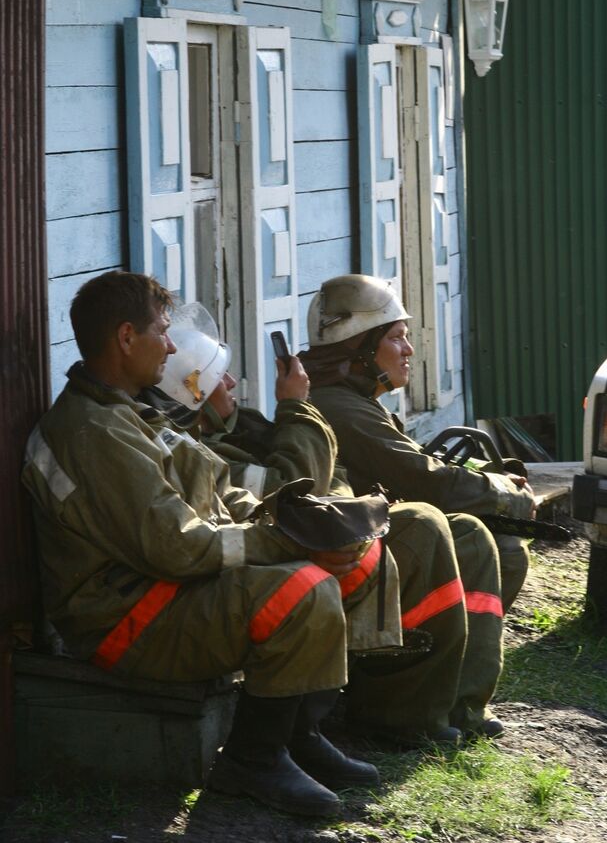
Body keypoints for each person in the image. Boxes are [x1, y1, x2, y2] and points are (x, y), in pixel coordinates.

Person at [21, 272, 385, 820]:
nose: (170, 347)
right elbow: (177, 549)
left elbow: (217, 485)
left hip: (169, 591)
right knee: (302, 590)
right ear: (125, 337)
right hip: (125, 617)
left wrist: (305, 523)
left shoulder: (130, 413)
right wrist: (285, 541)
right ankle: (252, 760)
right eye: (162, 333)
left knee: (359, 557)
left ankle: (297, 734)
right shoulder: (92, 432)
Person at [143, 304, 506, 744]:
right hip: (294, 549)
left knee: (469, 534)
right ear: (191, 391)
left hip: (327, 530)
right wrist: (296, 407)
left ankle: (459, 708)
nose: (234, 382)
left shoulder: (236, 428)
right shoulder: (202, 451)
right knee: (426, 527)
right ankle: (397, 715)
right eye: (220, 376)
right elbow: (293, 486)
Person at [301, 273, 537, 615]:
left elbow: (416, 457)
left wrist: (488, 473)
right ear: (361, 347)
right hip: (361, 555)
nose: (409, 350)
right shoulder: (342, 408)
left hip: (370, 538)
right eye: (397, 338)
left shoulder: (349, 399)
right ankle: (457, 657)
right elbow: (424, 478)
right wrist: (506, 495)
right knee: (502, 545)